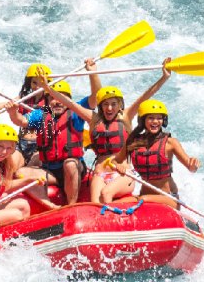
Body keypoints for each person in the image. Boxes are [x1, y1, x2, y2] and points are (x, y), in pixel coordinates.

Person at [42, 59, 171, 203]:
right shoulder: (93, 119)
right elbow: (69, 103)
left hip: (122, 172)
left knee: (106, 194)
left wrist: (164, 77)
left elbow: (145, 96)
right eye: (106, 104)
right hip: (100, 173)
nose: (109, 108)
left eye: (113, 104)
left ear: (120, 104)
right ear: (101, 106)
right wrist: (48, 89)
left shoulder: (126, 116)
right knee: (95, 205)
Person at [5, 59, 101, 206]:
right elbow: (21, 121)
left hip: (73, 166)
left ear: (68, 100)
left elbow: (96, 97)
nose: (57, 102)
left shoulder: (76, 111)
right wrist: (12, 112)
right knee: (20, 174)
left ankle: (71, 206)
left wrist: (92, 73)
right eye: (53, 98)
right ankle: (49, 205)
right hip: (50, 170)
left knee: (69, 164)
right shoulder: (41, 114)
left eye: (61, 98)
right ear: (48, 101)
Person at [112, 99, 200, 209]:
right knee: (114, 204)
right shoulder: (133, 141)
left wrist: (193, 165)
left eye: (159, 118)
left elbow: (191, 167)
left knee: (143, 199)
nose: (155, 121)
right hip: (143, 196)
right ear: (143, 120)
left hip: (168, 198)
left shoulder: (170, 143)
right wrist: (119, 166)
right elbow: (115, 161)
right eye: (151, 118)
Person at [0, 63, 52, 166]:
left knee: (26, 170)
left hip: (38, 147)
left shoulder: (51, 102)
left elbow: (23, 121)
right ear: (29, 82)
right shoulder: (24, 98)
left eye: (41, 83)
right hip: (21, 143)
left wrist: (14, 113)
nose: (37, 87)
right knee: (12, 168)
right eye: (34, 82)